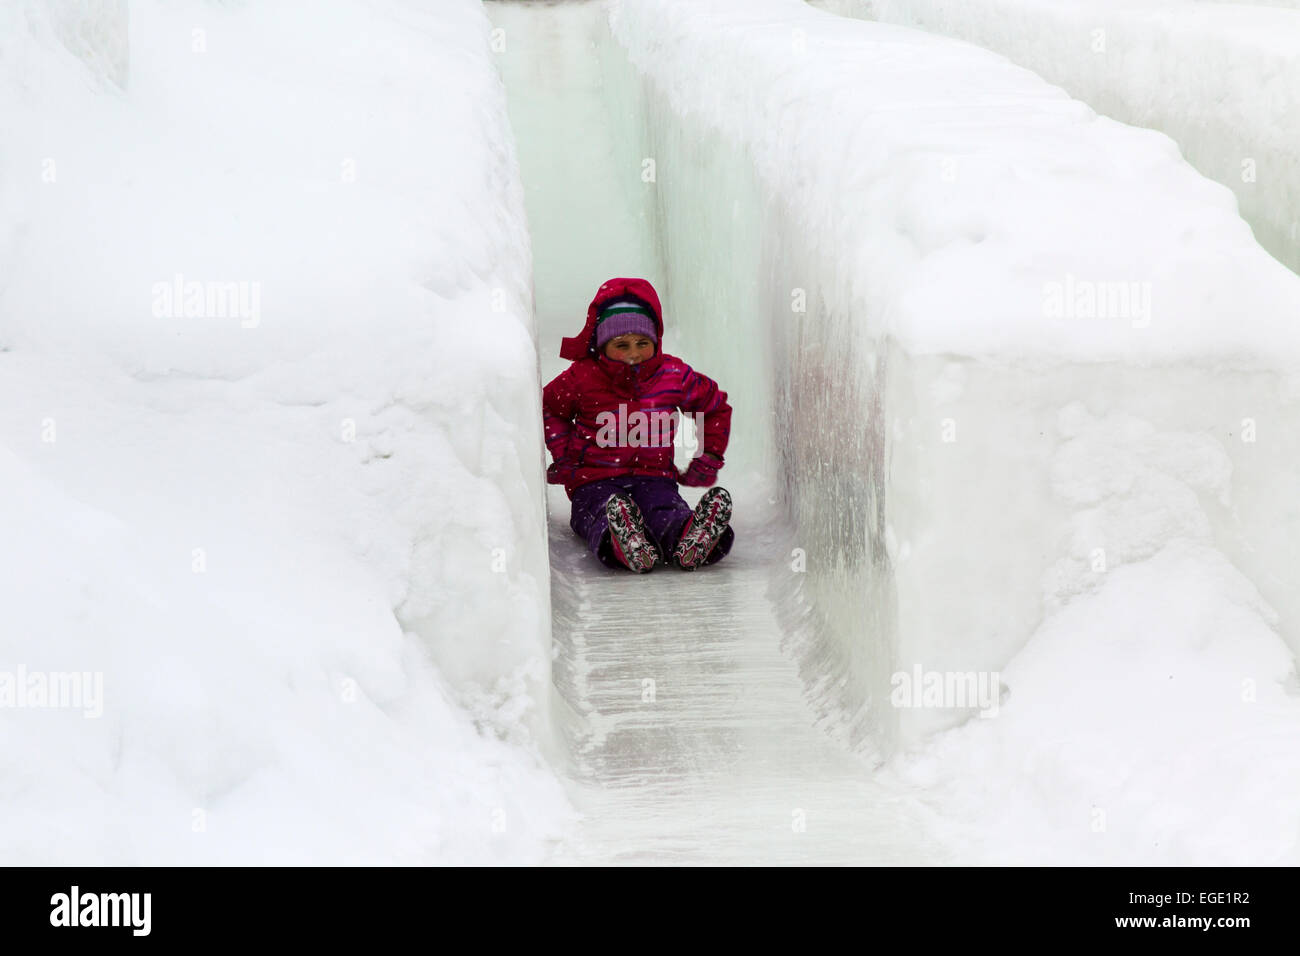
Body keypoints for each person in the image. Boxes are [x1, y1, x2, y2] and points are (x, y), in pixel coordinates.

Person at [542, 277, 735, 572]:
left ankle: (690, 538)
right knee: (600, 512)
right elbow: (550, 407)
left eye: (642, 343)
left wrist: (707, 458)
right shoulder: (582, 377)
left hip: (654, 477)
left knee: (665, 510)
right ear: (602, 344)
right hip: (594, 481)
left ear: (655, 341)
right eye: (622, 345)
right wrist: (565, 455)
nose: (633, 353)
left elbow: (714, 407)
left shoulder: (672, 375)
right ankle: (624, 543)